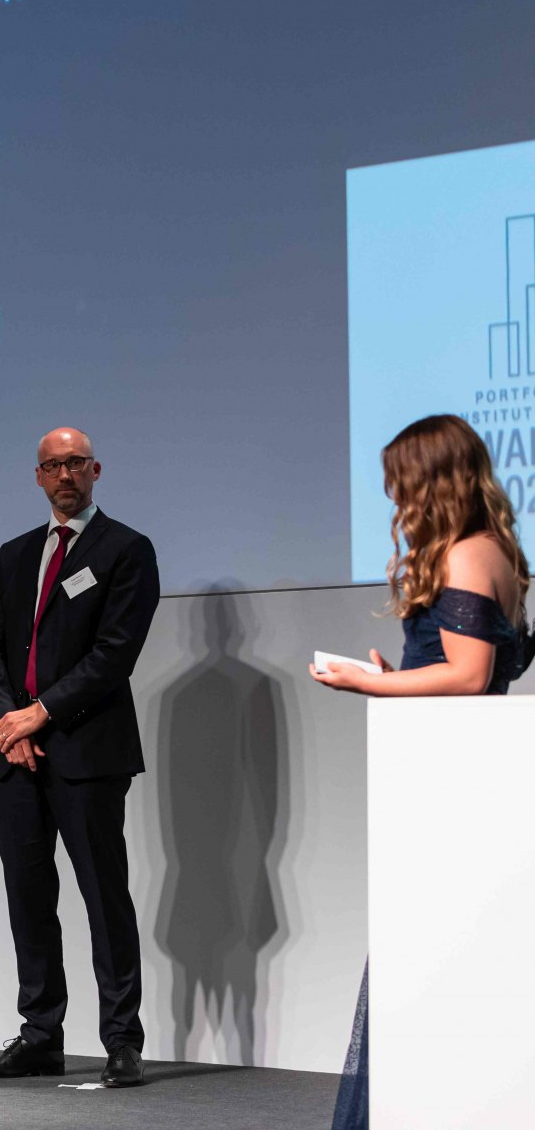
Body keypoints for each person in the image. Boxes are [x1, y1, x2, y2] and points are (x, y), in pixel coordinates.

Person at [310, 413, 532, 1130]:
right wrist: (394, 676)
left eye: (401, 482)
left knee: (423, 958)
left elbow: (469, 676)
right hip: (461, 773)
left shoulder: (465, 554)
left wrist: (365, 682)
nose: (394, 497)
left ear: (434, 480)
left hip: (450, 784)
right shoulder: (498, 550)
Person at [0, 427, 160, 1088]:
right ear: (38, 476)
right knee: (28, 897)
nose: (65, 475)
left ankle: (122, 1039)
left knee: (103, 896)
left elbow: (114, 654)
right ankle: (40, 1036)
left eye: (75, 463)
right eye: (52, 465)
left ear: (96, 470)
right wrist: (11, 724)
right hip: (15, 755)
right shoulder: (15, 554)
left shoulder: (126, 549)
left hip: (88, 750)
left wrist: (41, 713)